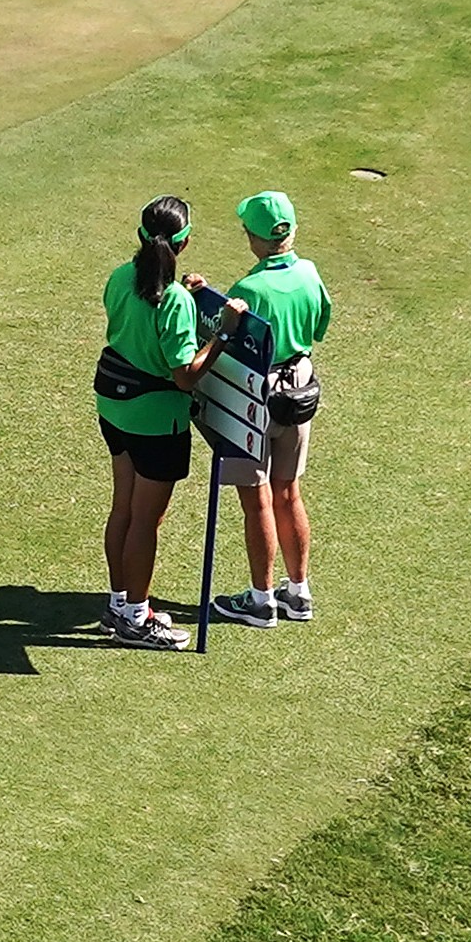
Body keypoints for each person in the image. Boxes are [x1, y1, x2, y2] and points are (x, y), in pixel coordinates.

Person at [195, 189, 334, 629]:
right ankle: (298, 593)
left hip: (253, 400)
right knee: (288, 492)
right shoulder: (310, 273)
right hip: (299, 390)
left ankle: (260, 601)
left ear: (255, 238)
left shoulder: (249, 289)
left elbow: (221, 339)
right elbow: (319, 327)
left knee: (256, 500)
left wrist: (203, 301)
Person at [92, 194, 206, 649]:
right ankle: (137, 618)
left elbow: (139, 319)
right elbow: (185, 376)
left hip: (114, 409)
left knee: (123, 507)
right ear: (185, 242)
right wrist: (220, 337)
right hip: (157, 423)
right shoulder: (174, 301)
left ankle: (118, 604)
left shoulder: (121, 276)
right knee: (146, 521)